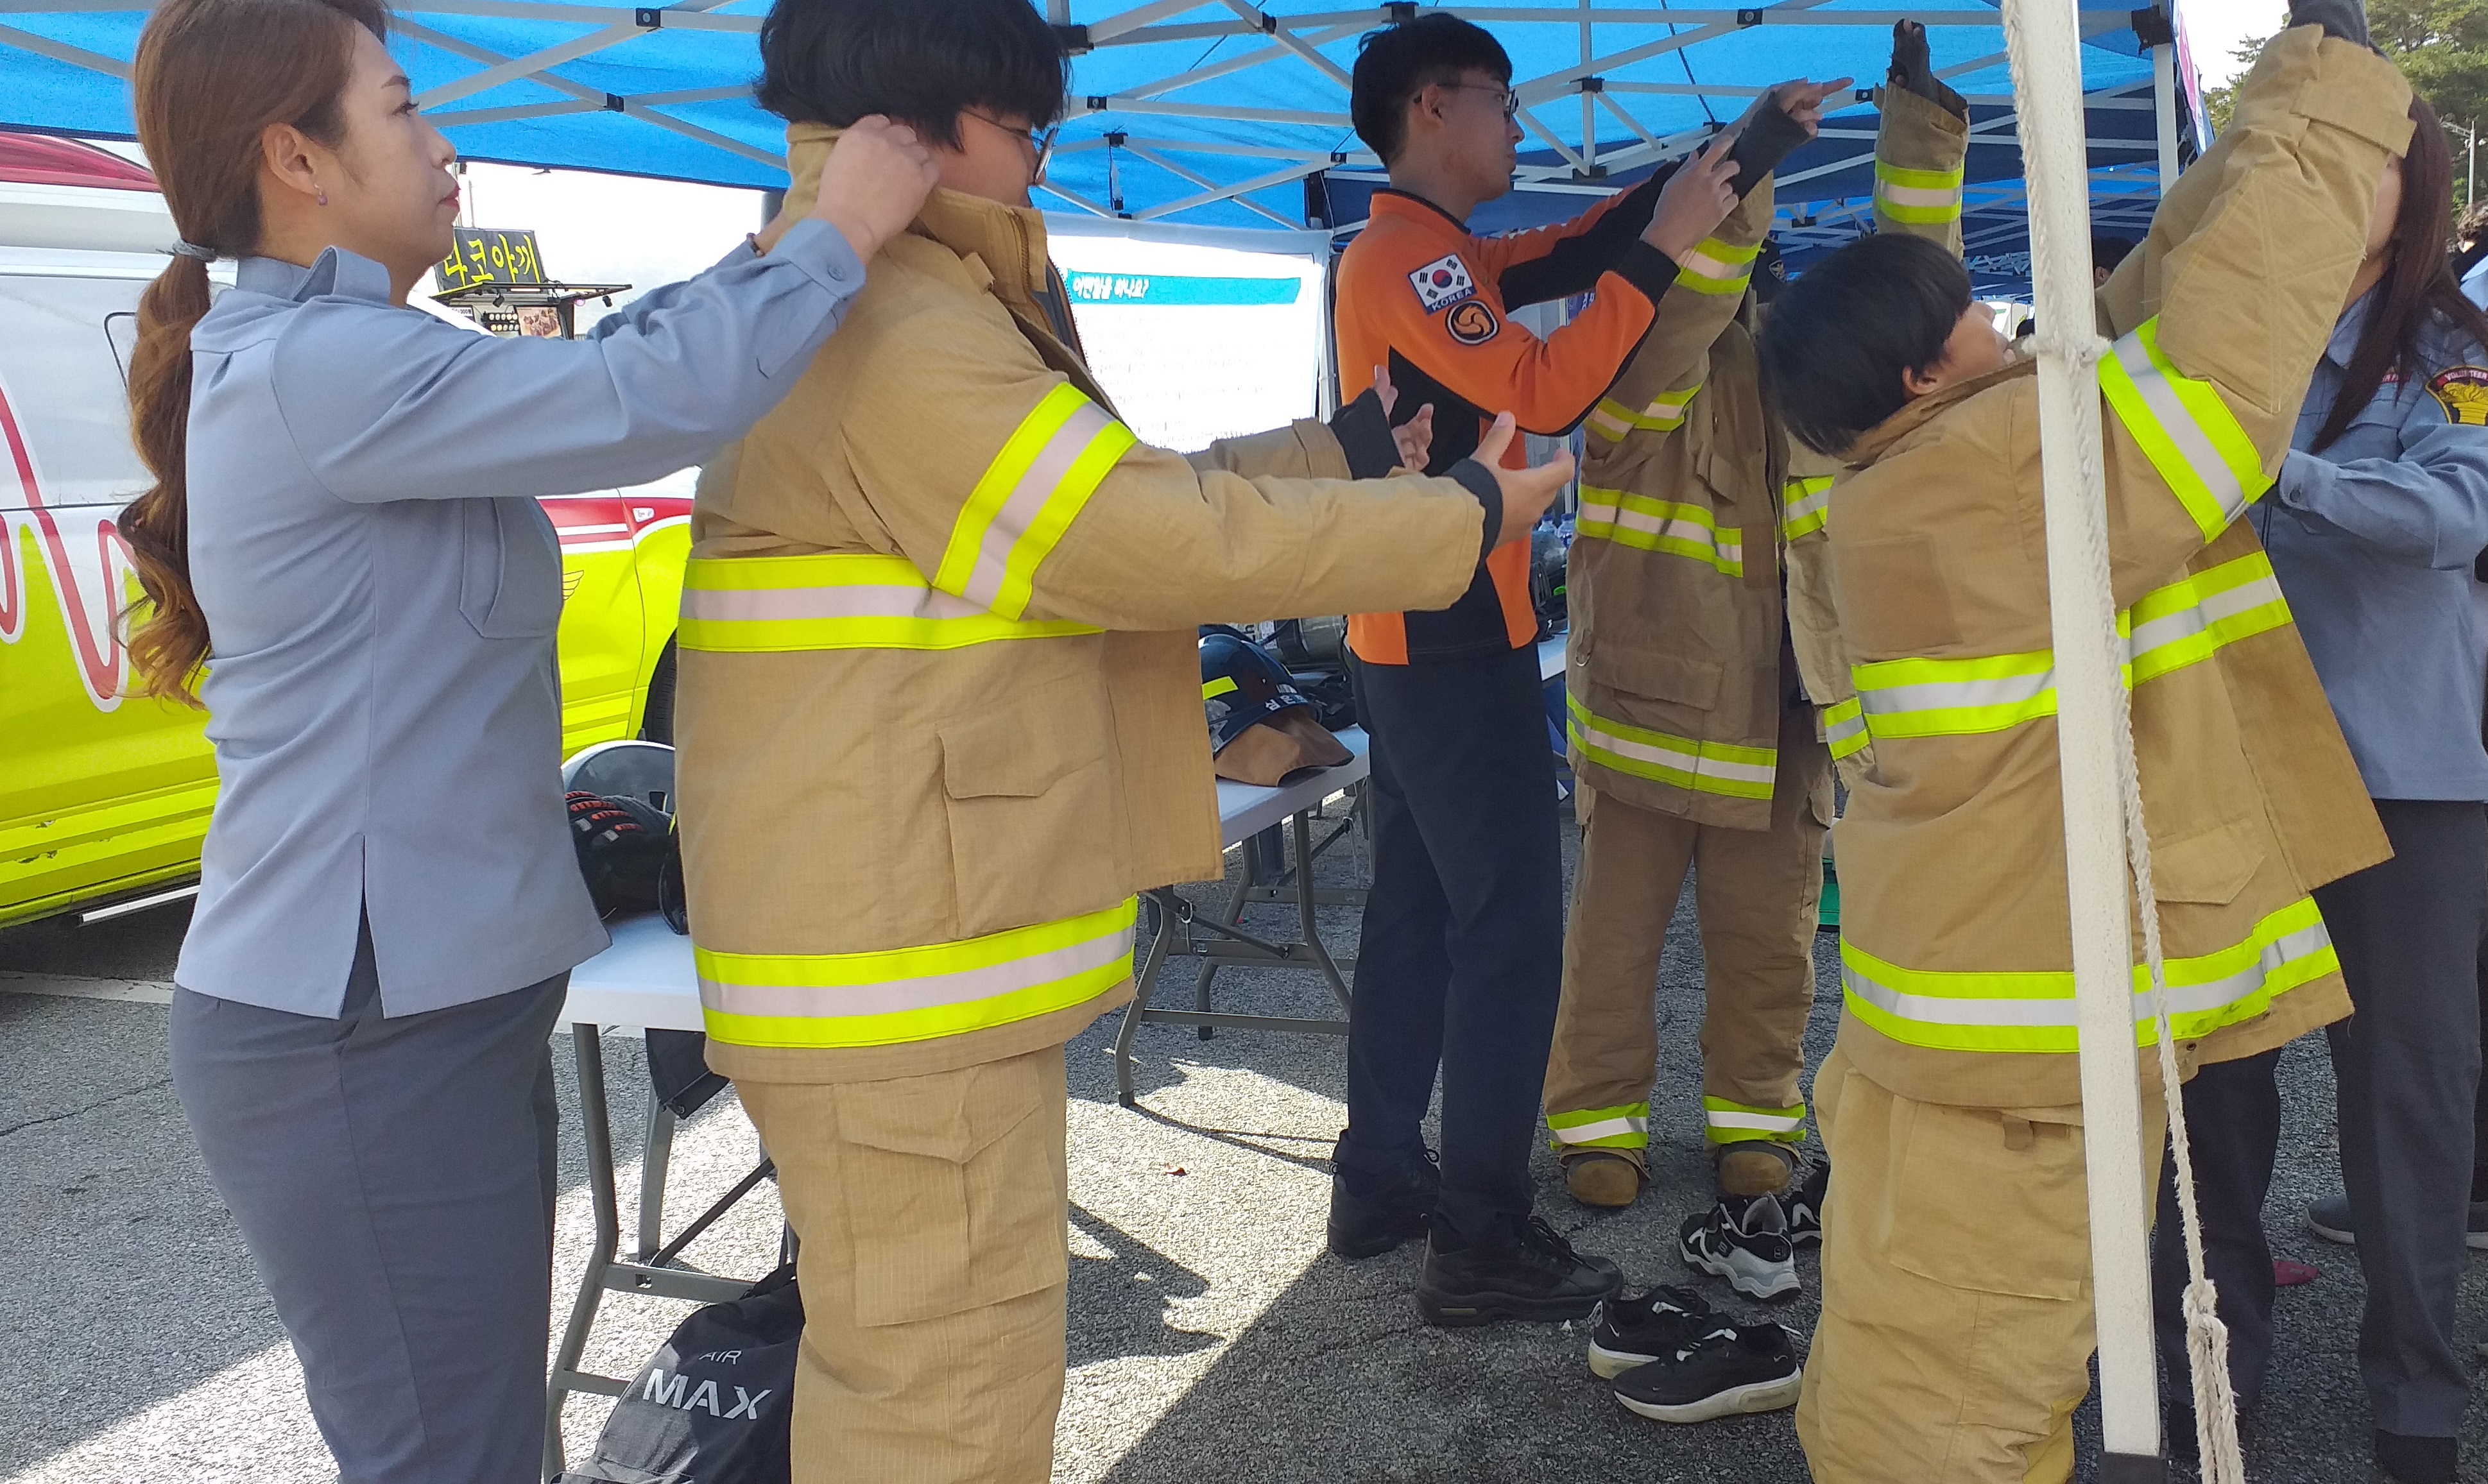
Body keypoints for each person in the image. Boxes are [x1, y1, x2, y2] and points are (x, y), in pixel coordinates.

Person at [669, 0, 1577, 1477]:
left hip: (898, 944)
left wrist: (1345, 452)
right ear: (924, 118)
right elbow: (1134, 536)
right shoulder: (898, 319)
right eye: (1025, 126)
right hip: (897, 961)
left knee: (929, 1360)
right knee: (940, 1388)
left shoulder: (894, 299)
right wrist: (1460, 514)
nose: (1041, 159)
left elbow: (1120, 491)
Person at [119, 3, 936, 1481]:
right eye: (403, 107)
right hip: (359, 1025)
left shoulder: (360, 350)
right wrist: (839, 232)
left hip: (416, 1005)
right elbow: (644, 396)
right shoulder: (316, 365)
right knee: (456, 1456)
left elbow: (616, 354)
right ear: (297, 158)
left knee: (485, 1443)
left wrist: (775, 250)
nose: (447, 145)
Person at [1755, 9, 2409, 1479]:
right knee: (1956, 1410)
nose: (2007, 324)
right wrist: (2325, 101)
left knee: (1906, 1358)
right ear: (1920, 379)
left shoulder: (1902, 473)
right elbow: (2216, 378)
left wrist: (2284, 95)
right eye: (1972, 319)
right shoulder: (1985, 480)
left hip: (1969, 1019)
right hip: (2017, 1052)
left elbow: (2128, 305)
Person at [1325, 7, 1846, 1327]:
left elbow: (1574, 246)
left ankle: (1377, 1177)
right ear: (1432, 107)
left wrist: (1731, 158)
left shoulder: (1437, 250)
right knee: (1508, 934)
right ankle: (1481, 1237)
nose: (1521, 128)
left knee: (1414, 913)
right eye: (1502, 103)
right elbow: (1552, 387)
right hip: (1451, 628)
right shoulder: (1407, 260)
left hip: (1413, 622)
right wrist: (1671, 243)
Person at [1544, 26, 1964, 1308]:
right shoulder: (1634, 384)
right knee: (1613, 944)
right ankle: (1596, 1121)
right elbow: (1679, 326)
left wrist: (1921, 138)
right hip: (1650, 713)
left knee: (1769, 946)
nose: (1755, 286)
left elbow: (1915, 308)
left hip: (1786, 719)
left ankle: (1753, 1120)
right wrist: (1752, 166)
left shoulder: (1827, 392)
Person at [2149, 92, 2488, 1484]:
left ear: (2414, 191)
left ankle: (2416, 1396)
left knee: (2408, 1091)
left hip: (2404, 773)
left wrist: (2279, 476)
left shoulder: (2449, 347)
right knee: (2213, 1085)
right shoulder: (2213, 333)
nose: (2326, 178)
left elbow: (2459, 510)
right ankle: (2206, 1365)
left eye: (2364, 161)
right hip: (2223, 759)